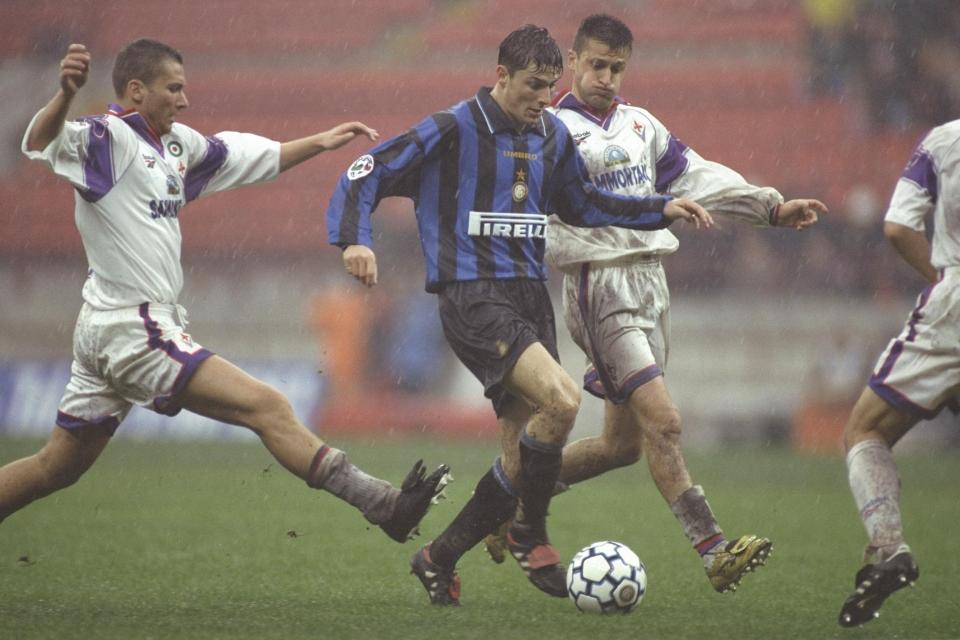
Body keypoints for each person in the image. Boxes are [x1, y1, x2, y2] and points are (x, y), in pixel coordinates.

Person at [0, 40, 451, 547]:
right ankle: (385, 505)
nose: (184, 99)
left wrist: (320, 141)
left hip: (105, 327)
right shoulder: (106, 141)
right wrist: (63, 95)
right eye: (173, 88)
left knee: (55, 467)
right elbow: (40, 142)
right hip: (134, 328)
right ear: (136, 91)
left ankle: (385, 506)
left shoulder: (176, 147)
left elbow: (248, 155)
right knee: (268, 406)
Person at [326, 24, 712, 606]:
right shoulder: (456, 126)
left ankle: (437, 558)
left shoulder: (551, 135)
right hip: (473, 294)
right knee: (563, 401)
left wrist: (658, 208)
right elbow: (366, 171)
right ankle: (532, 530)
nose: (543, 98)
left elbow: (583, 204)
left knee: (518, 456)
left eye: (550, 85)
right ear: (501, 75)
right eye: (533, 85)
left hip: (530, 295)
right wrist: (356, 240)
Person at [480, 14, 825, 594]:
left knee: (622, 446)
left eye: (617, 68)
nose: (607, 78)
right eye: (596, 65)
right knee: (665, 421)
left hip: (650, 283)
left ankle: (503, 504)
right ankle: (714, 548)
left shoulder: (641, 125)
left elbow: (696, 177)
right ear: (572, 61)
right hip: (600, 283)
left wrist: (769, 206)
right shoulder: (553, 129)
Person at [837, 121, 959, 627]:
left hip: (955, 304)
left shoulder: (945, 141)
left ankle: (889, 549)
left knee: (865, 430)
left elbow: (897, 227)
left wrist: (941, 280)